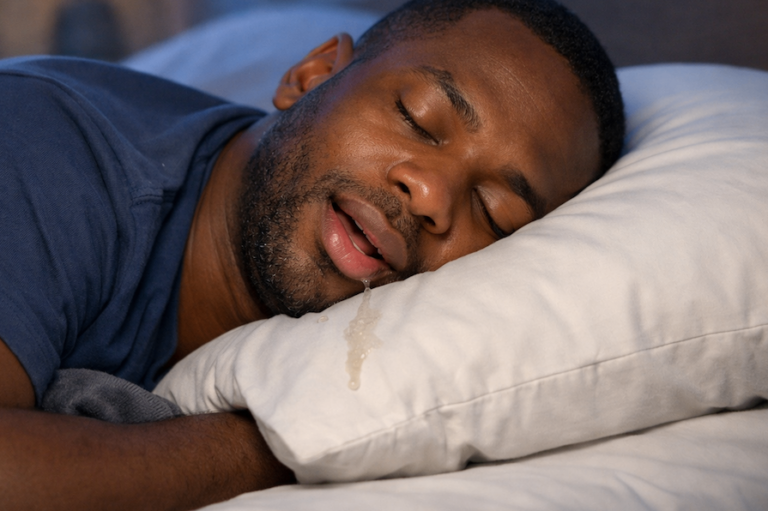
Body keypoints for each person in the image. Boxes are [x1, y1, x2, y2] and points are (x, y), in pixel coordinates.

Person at [0, 0, 624, 509]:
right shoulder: (45, 151)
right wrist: (267, 447)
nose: (432, 193)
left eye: (493, 212)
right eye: (417, 118)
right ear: (312, 74)